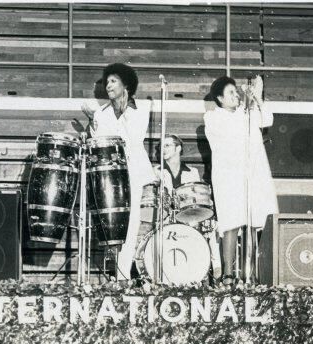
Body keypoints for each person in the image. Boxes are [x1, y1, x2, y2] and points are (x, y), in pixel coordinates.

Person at [203, 75, 277, 282]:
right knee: (231, 223)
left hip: (252, 175)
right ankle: (228, 274)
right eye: (231, 93)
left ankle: (252, 273)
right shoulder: (212, 117)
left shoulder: (246, 114)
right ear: (220, 99)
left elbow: (268, 119)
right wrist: (247, 103)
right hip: (229, 178)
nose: (235, 95)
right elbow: (231, 133)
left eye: (236, 91)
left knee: (254, 221)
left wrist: (257, 98)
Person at [90, 63, 156, 280]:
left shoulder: (141, 110)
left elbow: (133, 139)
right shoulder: (100, 113)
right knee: (111, 222)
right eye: (107, 82)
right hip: (110, 176)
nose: (108, 85)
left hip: (133, 172)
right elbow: (100, 142)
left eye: (113, 81)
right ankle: (114, 271)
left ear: (125, 84)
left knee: (131, 221)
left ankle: (123, 275)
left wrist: (123, 112)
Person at [152, 134, 222, 279]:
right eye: (161, 147)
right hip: (165, 216)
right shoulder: (156, 171)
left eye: (167, 145)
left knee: (211, 224)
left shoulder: (192, 172)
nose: (163, 149)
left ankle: (216, 266)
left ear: (178, 148)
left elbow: (197, 197)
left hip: (188, 216)